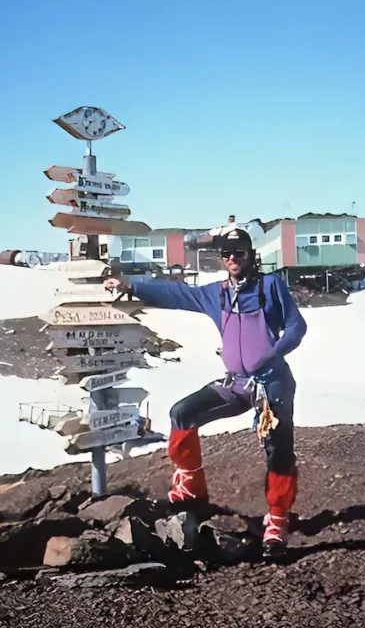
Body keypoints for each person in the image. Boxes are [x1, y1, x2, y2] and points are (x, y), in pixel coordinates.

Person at [103, 227, 307, 556]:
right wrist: (130, 284)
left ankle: (277, 522)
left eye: (238, 253)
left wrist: (275, 351)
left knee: (278, 451)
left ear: (250, 255)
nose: (231, 260)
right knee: (182, 413)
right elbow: (178, 294)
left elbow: (297, 326)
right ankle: (191, 491)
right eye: (226, 255)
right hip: (236, 382)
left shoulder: (271, 287)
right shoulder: (219, 293)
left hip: (272, 384)